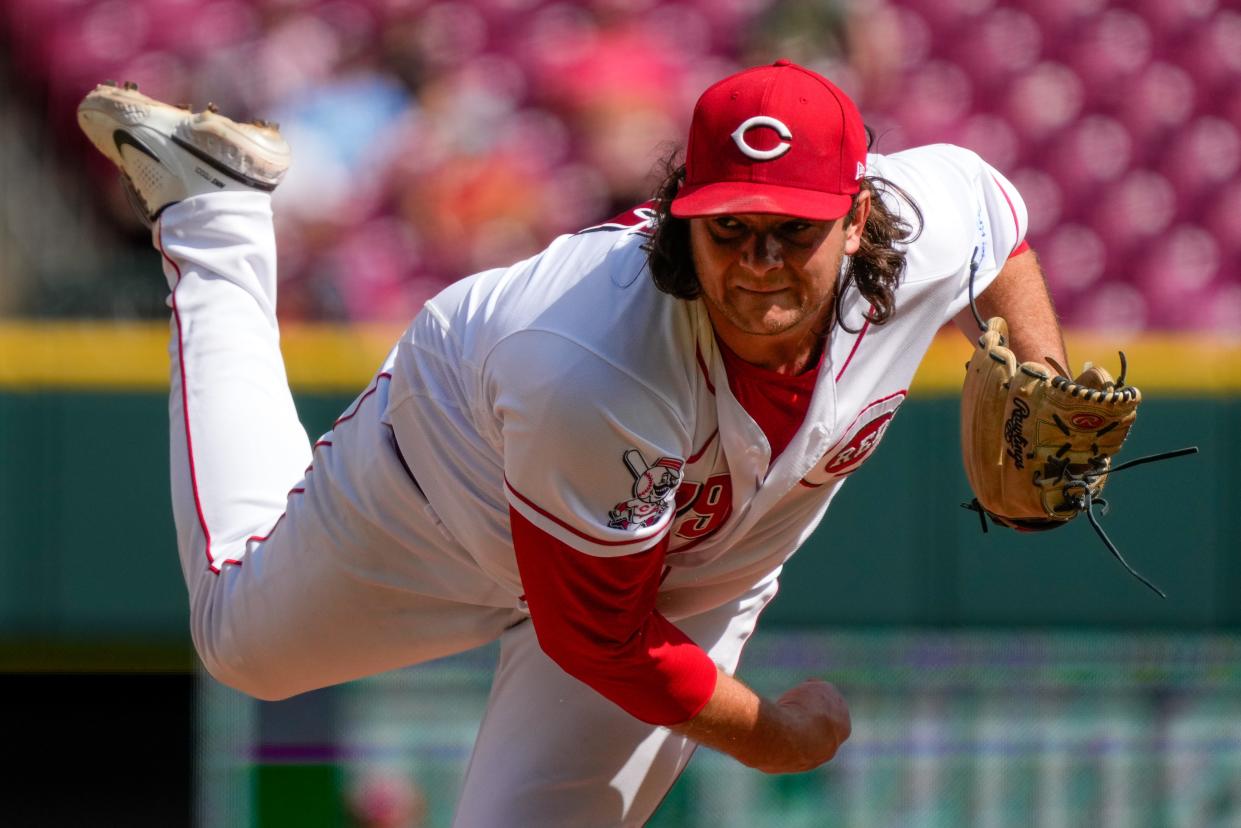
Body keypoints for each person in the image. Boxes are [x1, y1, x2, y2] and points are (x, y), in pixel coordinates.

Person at [77, 61, 1066, 825]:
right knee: (242, 644)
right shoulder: (594, 361)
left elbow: (993, 220)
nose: (759, 266)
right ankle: (214, 212)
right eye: (729, 231)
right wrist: (771, 737)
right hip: (444, 492)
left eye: (790, 231)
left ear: (856, 217)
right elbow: (600, 638)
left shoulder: (919, 220)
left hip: (686, 578)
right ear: (686, 214)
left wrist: (1045, 372)